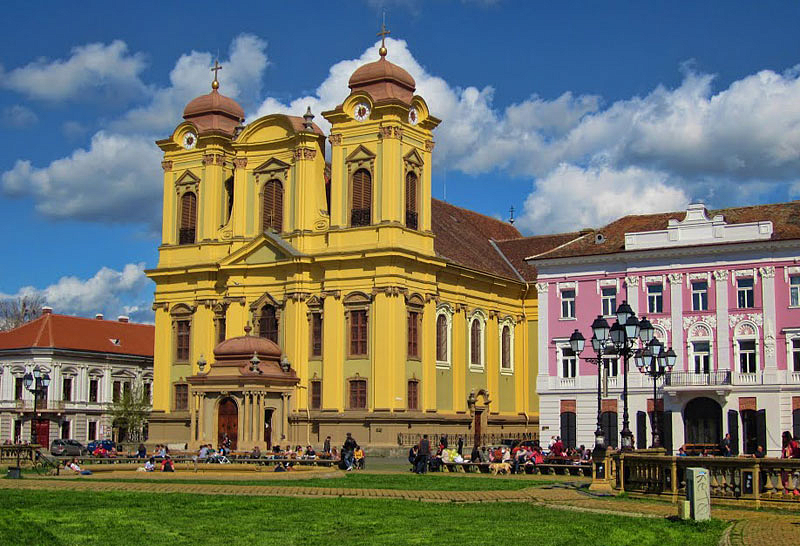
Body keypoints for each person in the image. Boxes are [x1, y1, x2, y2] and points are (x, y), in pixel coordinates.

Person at [781, 431, 800, 495]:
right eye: (782, 437)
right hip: (785, 464)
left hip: (791, 464)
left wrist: (791, 456)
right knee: (784, 480)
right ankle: (788, 492)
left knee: (792, 479)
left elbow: (796, 453)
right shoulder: (785, 445)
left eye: (784, 437)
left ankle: (793, 491)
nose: (783, 438)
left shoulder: (793, 443)